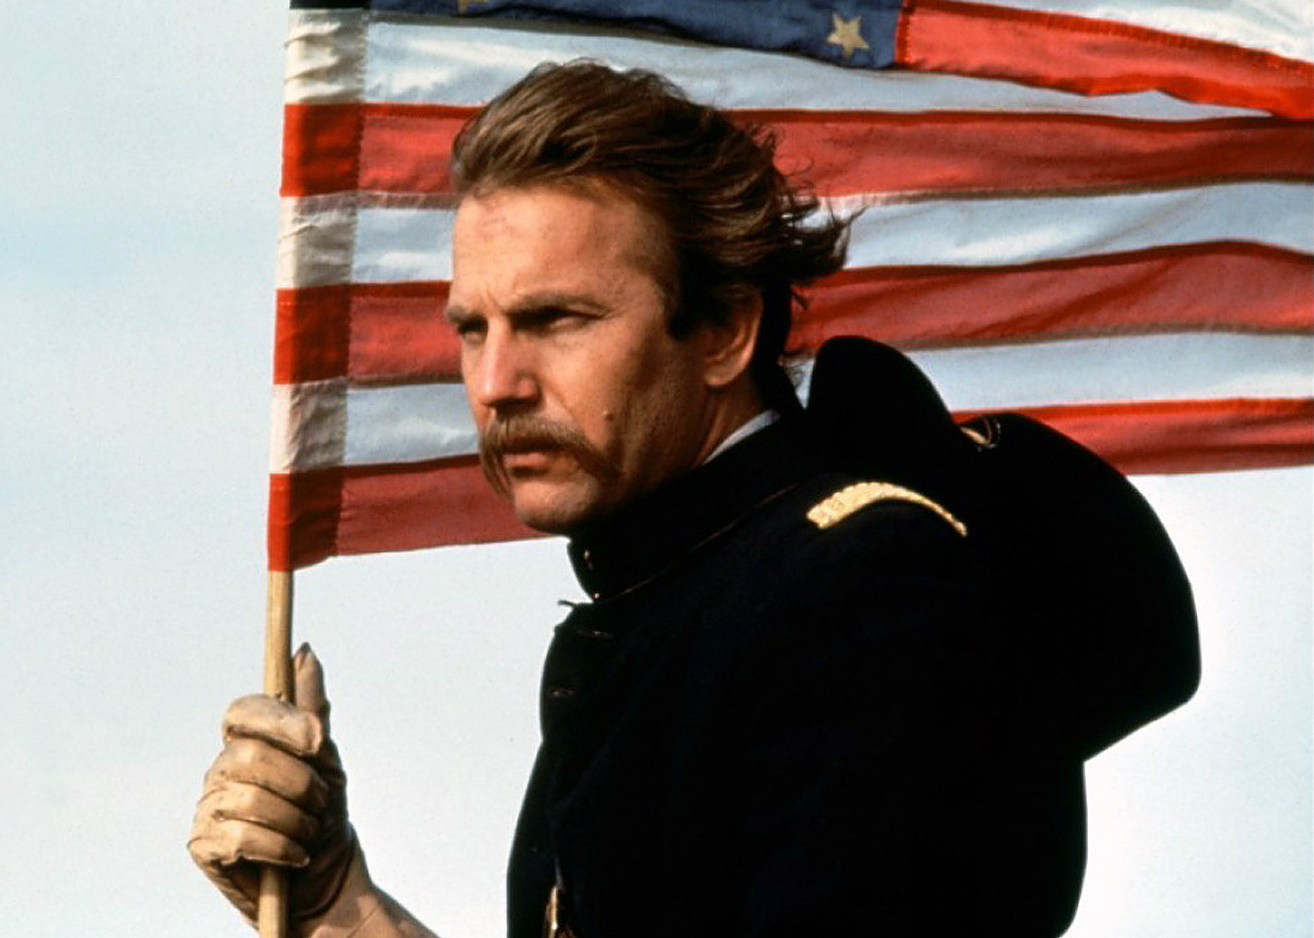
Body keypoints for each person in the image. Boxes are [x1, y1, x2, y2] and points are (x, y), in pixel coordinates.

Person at [188, 61, 1195, 936]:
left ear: (720, 330)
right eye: (471, 328)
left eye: (554, 319)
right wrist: (337, 905)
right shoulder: (679, 601)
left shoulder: (857, 585)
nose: (494, 382)